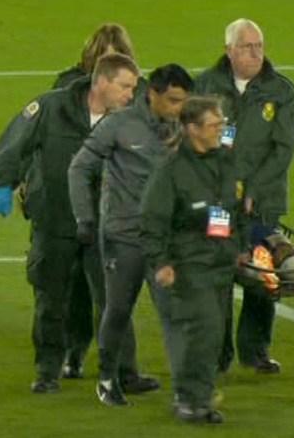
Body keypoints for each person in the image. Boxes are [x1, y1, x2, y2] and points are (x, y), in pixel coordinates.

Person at [0, 53, 139, 394]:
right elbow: (13, 144)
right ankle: (47, 371)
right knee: (51, 297)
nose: (131, 94)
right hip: (55, 217)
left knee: (114, 300)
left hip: (104, 223)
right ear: (101, 82)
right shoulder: (51, 108)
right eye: (125, 86)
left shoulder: (131, 119)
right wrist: (2, 184)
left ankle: (125, 373)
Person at [68, 63, 194, 406]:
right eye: (172, 100)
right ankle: (109, 379)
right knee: (119, 309)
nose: (178, 108)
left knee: (174, 313)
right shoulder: (119, 124)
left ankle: (187, 390)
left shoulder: (185, 126)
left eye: (183, 101)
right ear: (152, 94)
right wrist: (85, 218)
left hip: (164, 241)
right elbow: (80, 167)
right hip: (124, 237)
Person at [195, 18, 294, 374]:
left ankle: (256, 352)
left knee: (261, 273)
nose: (256, 53)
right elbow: (195, 142)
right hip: (218, 203)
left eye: (259, 46)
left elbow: (283, 150)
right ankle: (218, 353)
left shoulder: (281, 90)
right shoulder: (206, 86)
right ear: (229, 51)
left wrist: (252, 190)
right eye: (247, 47)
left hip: (262, 202)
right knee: (220, 271)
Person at [140, 96, 249, 425]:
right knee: (204, 331)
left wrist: (241, 246)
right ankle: (192, 401)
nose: (221, 130)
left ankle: (195, 397)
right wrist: (161, 262)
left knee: (213, 337)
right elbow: (152, 220)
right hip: (189, 265)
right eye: (214, 125)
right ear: (192, 129)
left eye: (221, 124)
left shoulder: (226, 162)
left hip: (221, 262)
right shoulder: (171, 171)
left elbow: (237, 207)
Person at [51, 23, 138, 375]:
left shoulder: (135, 93)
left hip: (117, 204)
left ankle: (121, 367)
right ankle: (74, 352)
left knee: (111, 288)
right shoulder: (66, 88)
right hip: (75, 201)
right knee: (75, 287)